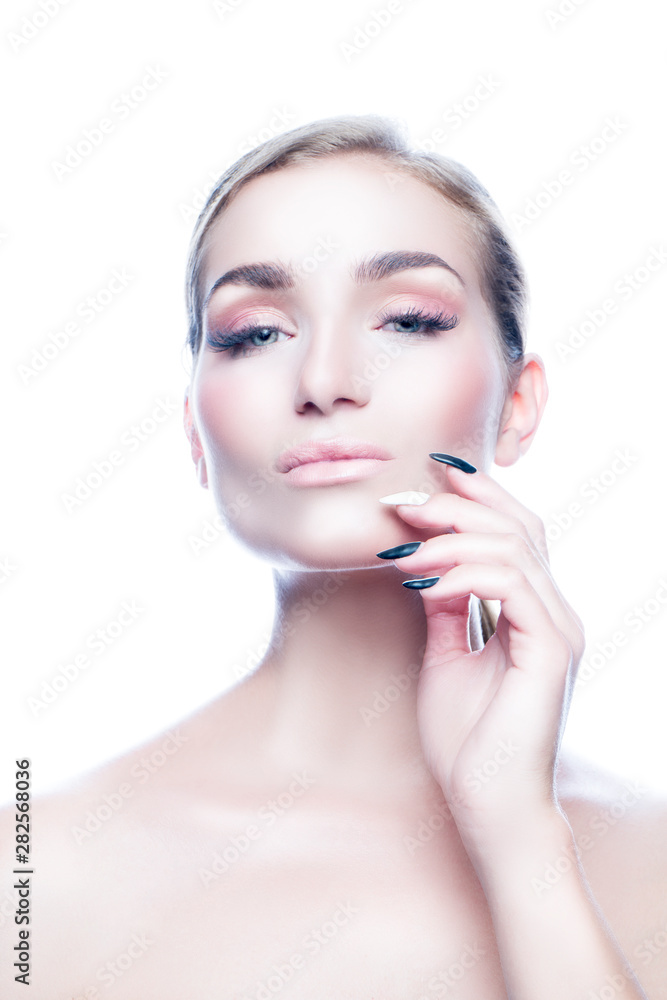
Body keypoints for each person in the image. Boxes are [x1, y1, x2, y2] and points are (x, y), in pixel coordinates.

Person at [2, 113, 664, 998]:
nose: (322, 382)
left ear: (517, 404)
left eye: (406, 319)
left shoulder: (647, 859)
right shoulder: (33, 872)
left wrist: (520, 842)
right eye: (255, 333)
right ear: (195, 433)